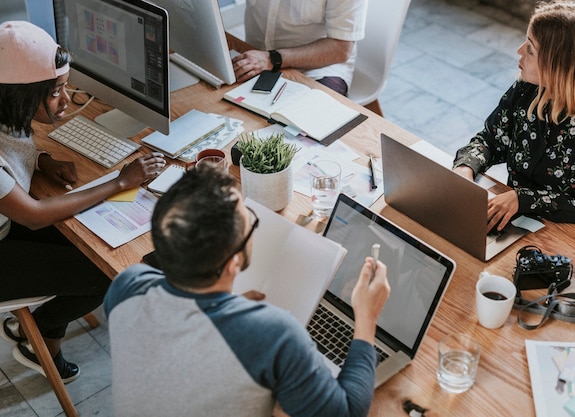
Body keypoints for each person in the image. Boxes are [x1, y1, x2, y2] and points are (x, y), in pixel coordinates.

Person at [104, 163, 390, 417]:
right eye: (249, 221)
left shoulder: (127, 286)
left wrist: (227, 311)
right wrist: (366, 318)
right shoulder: (272, 336)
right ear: (233, 263)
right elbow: (347, 411)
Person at [0, 21, 165, 383]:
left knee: (91, 240)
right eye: (56, 91)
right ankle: (41, 334)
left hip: (8, 227)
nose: (68, 99)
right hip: (9, 237)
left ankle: (34, 326)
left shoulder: (7, 111)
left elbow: (12, 148)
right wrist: (121, 181)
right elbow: (35, 216)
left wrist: (42, 160)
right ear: (22, 95)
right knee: (104, 270)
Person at [452, 1, 575, 245]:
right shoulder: (527, 89)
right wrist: (465, 168)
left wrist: (523, 199)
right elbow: (491, 140)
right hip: (516, 226)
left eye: (530, 49)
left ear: (561, 63)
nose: (519, 50)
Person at [231, 0, 368, 96]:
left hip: (317, 69)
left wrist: (272, 58)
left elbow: (340, 49)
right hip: (256, 56)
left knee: (308, 127)